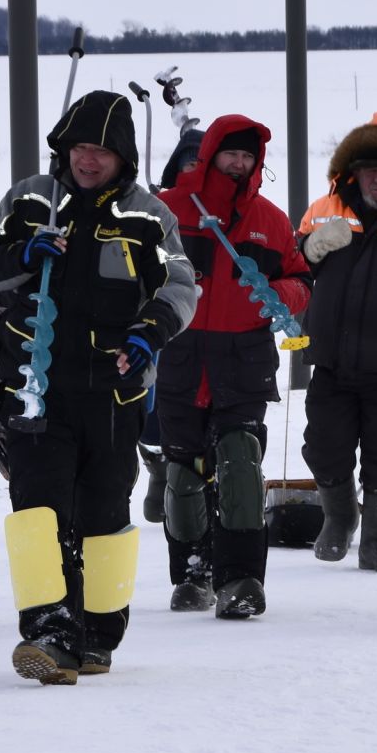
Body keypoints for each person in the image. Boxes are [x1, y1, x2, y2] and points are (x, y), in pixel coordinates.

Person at [0, 91, 197, 684]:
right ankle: (49, 632)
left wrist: (151, 331)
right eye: (78, 148)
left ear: (124, 158)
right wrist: (21, 252)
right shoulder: (30, 199)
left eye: (101, 151)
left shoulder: (149, 215)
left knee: (103, 512)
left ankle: (98, 634)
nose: (88, 160)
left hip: (114, 393)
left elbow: (179, 283)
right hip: (34, 388)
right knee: (38, 511)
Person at [159, 116, 313, 620]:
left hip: (243, 361)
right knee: (183, 472)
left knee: (240, 462)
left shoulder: (270, 220)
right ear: (211, 154)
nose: (240, 163)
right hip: (180, 359)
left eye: (248, 157)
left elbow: (298, 277)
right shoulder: (168, 210)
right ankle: (191, 574)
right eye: (232, 154)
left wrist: (282, 295)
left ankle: (241, 580)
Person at [295, 114, 377, 573]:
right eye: (370, 168)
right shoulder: (323, 209)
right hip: (331, 358)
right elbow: (292, 272)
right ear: (353, 171)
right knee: (324, 446)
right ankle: (340, 517)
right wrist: (308, 250)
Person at [138, 120, 206, 526]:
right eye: (187, 163)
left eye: (201, 162)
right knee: (152, 411)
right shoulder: (154, 212)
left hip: (209, 329)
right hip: (163, 323)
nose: (193, 170)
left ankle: (189, 487)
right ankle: (157, 470)